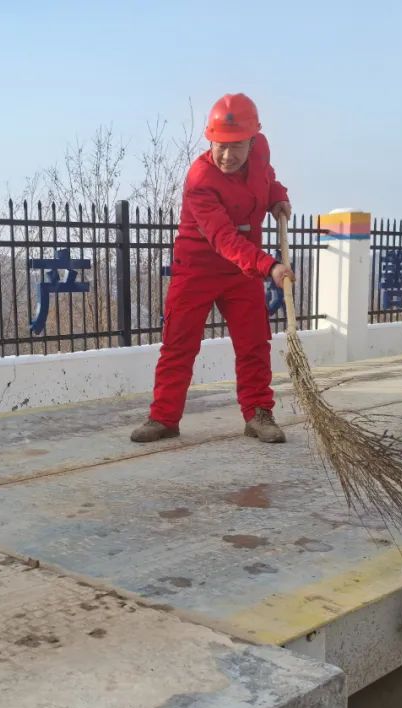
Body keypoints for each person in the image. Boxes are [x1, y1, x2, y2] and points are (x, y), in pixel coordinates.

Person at [131, 92, 294, 445]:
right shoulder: (200, 179)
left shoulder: (261, 152)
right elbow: (224, 239)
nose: (227, 155)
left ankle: (258, 414)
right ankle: (164, 418)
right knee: (179, 345)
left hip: (241, 273)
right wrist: (269, 266)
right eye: (221, 146)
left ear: (252, 140)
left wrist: (277, 196)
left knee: (254, 344)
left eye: (236, 146)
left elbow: (266, 178)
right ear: (210, 141)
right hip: (198, 269)